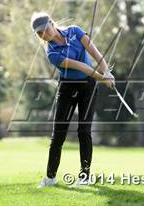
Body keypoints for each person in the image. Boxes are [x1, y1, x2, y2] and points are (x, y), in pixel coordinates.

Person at [31, 12, 115, 188]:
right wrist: (103, 79)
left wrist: (106, 71)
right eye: (40, 34)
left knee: (84, 131)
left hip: (88, 87)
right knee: (58, 135)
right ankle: (50, 178)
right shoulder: (52, 54)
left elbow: (94, 52)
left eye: (45, 29)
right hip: (68, 88)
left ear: (52, 24)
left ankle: (84, 177)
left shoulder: (75, 31)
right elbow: (83, 67)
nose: (44, 35)